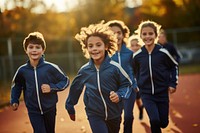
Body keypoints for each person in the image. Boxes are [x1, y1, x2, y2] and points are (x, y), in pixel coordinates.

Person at [65, 21, 134, 133]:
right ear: (86, 49)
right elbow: (75, 89)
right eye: (90, 46)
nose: (94, 49)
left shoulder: (115, 68)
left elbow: (127, 85)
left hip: (114, 114)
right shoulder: (84, 71)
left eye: (98, 45)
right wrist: (70, 106)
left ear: (106, 46)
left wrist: (119, 95)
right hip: (94, 113)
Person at [10, 32, 70, 133]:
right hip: (33, 110)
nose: (34, 50)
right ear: (26, 50)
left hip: (49, 108)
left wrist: (51, 87)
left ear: (43, 50)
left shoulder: (50, 67)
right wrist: (14, 100)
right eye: (31, 47)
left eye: (37, 47)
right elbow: (17, 85)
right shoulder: (22, 70)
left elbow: (65, 80)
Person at [133, 20, 179, 133]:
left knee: (163, 123)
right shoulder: (137, 56)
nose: (147, 36)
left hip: (162, 93)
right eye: (144, 34)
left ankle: (163, 121)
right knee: (154, 120)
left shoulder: (163, 52)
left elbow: (174, 66)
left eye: (150, 33)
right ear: (140, 36)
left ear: (156, 35)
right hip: (146, 94)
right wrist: (136, 84)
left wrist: (173, 83)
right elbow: (133, 72)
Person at [106, 20, 137, 133]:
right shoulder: (106, 54)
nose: (116, 36)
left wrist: (135, 83)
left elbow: (136, 70)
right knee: (116, 118)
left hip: (129, 89)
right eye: (112, 33)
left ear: (123, 34)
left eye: (119, 32)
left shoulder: (130, 53)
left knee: (128, 117)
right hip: (113, 91)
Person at [128, 34, 144, 120]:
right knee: (137, 100)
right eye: (132, 45)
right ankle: (141, 108)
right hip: (134, 82)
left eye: (137, 45)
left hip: (145, 81)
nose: (134, 47)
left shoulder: (143, 56)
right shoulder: (129, 58)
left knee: (146, 97)